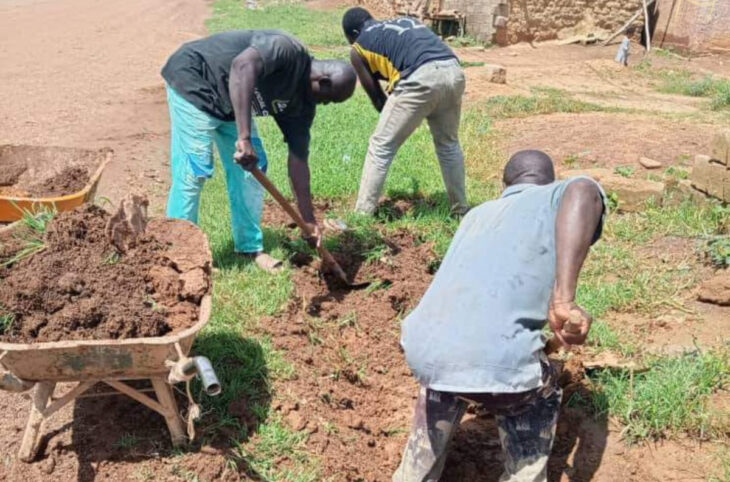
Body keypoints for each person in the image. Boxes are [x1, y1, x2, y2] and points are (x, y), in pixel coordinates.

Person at [396, 150, 607, 482]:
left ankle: (414, 474)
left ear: (503, 184)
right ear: (549, 181)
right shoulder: (556, 196)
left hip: (425, 352)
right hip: (500, 361)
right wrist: (564, 299)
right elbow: (583, 190)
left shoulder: (477, 214)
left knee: (444, 384)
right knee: (538, 394)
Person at [161, 30, 357, 271]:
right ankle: (178, 255)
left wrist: (308, 219)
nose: (325, 104)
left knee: (253, 169)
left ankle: (249, 249)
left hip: (231, 104)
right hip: (196, 79)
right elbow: (242, 67)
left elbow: (298, 159)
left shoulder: (302, 106)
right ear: (323, 81)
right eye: (330, 99)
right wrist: (244, 137)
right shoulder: (285, 50)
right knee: (194, 171)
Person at [342, 8, 468, 216]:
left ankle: (362, 214)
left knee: (381, 146)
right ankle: (461, 211)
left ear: (354, 33)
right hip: (453, 71)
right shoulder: (403, 22)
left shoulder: (358, 49)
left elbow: (378, 99)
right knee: (448, 145)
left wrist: (406, 120)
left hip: (420, 78)